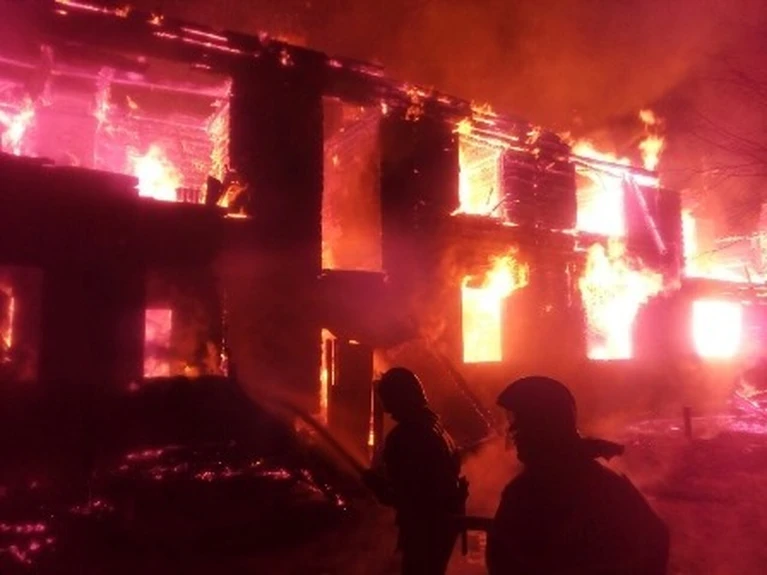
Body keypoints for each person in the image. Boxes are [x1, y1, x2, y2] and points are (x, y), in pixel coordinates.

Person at [486, 375, 669, 575]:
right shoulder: (605, 484)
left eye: (522, 428)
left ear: (543, 428)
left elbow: (503, 559)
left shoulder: (527, 492)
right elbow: (656, 541)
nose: (515, 436)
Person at [362, 367, 468, 575]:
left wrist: (374, 484)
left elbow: (407, 494)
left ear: (399, 397)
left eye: (388, 398)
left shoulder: (407, 435)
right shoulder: (435, 425)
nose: (387, 408)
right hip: (442, 524)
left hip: (424, 527)